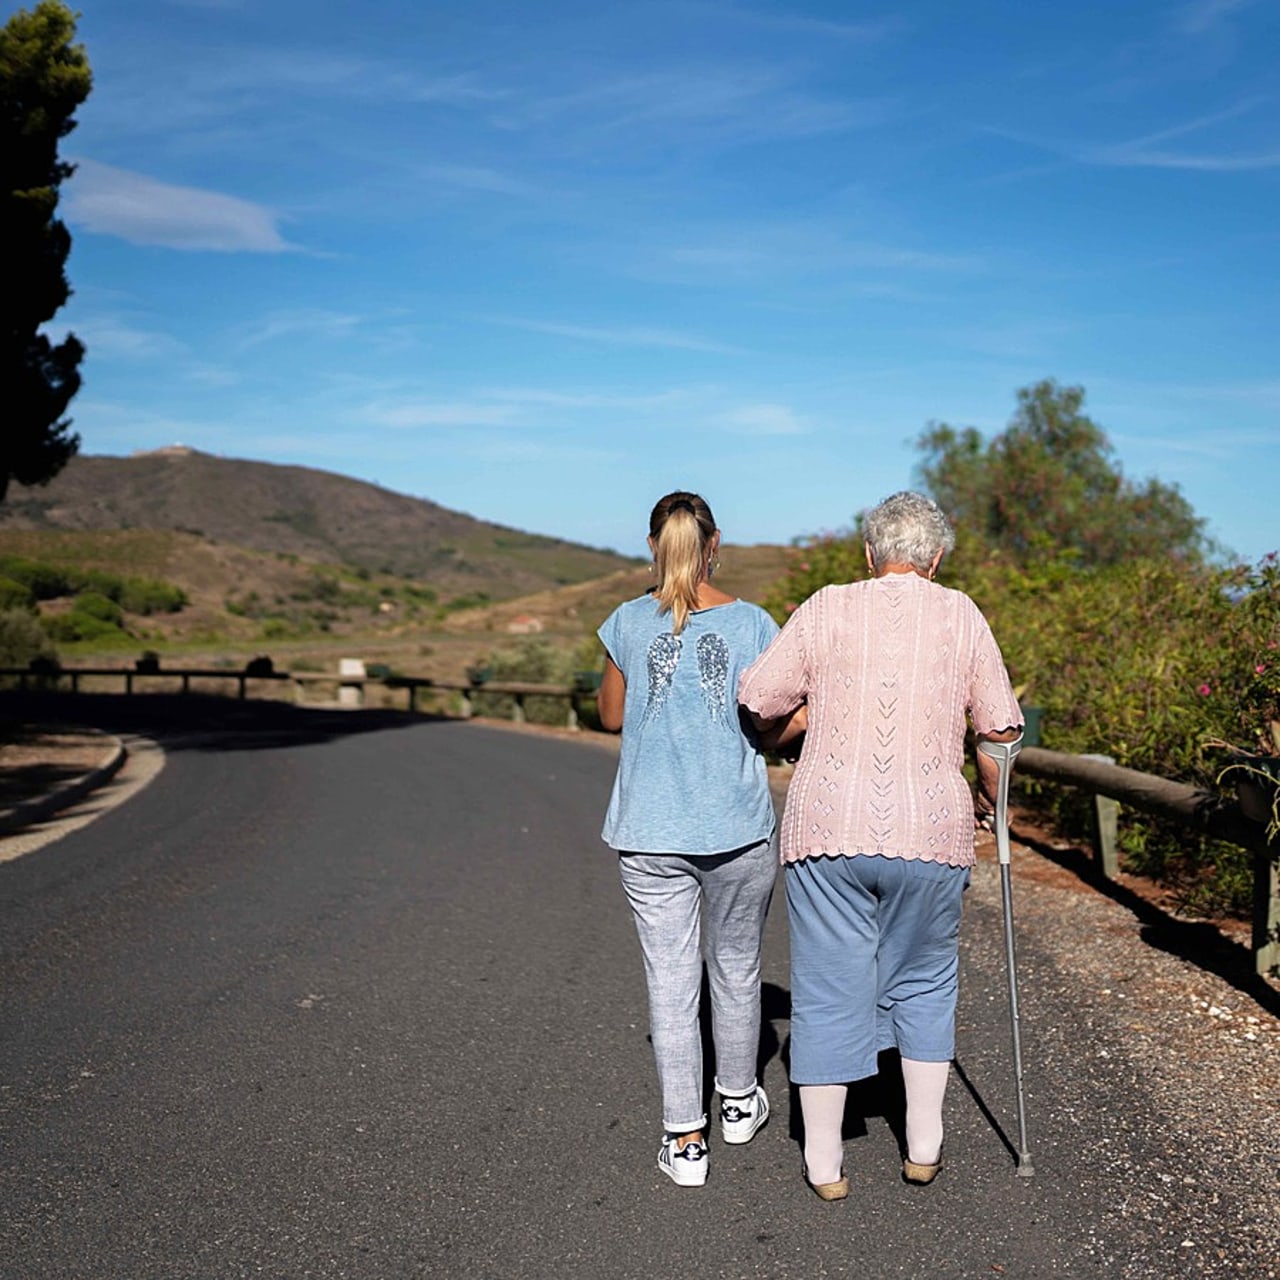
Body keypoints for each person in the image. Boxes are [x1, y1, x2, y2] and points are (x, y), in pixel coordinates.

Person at [738, 490, 1022, 1200]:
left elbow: (758, 698)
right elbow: (1000, 731)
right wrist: (992, 797)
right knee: (924, 980)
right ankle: (923, 1145)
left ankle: (825, 1163)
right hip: (932, 829)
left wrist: (806, 713)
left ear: (870, 554)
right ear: (936, 558)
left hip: (827, 825)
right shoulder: (961, 613)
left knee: (831, 987)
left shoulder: (828, 604)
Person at [597, 490, 802, 1187]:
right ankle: (739, 1101)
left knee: (671, 983)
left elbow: (609, 715)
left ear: (653, 546)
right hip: (737, 827)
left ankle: (686, 1140)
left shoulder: (626, 621)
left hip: (650, 830)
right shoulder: (754, 624)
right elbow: (772, 720)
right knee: (738, 968)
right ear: (715, 545)